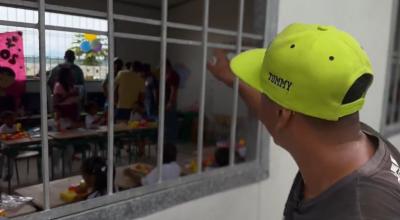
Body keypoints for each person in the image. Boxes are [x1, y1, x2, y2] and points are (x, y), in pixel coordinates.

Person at [207, 23, 400, 219]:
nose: (261, 96)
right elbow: (275, 113)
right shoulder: (349, 135)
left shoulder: (360, 212)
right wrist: (233, 80)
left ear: (283, 115)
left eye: (264, 91)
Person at [52, 65, 80, 131]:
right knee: (64, 130)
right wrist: (69, 95)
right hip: (63, 112)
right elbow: (56, 101)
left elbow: (74, 99)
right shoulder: (59, 85)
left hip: (72, 110)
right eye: (70, 74)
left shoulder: (71, 85)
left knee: (73, 130)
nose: (72, 76)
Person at [165, 60, 180, 144]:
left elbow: (173, 90)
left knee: (170, 123)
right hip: (166, 102)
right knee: (167, 123)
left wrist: (170, 102)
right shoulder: (167, 75)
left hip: (170, 103)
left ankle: (171, 142)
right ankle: (167, 141)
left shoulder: (173, 75)